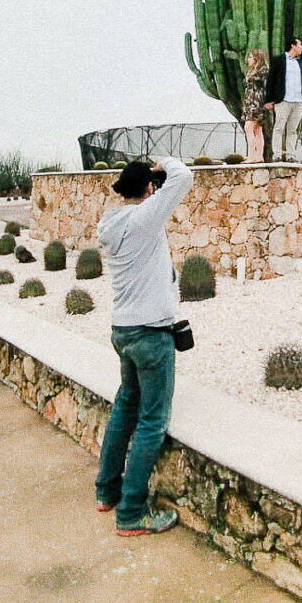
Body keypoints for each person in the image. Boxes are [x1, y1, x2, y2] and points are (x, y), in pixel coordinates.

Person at [95, 156, 194, 536]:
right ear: (149, 188)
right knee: (152, 420)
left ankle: (107, 491)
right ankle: (132, 512)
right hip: (151, 334)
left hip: (123, 329)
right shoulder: (144, 218)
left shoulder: (113, 222)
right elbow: (183, 176)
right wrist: (163, 163)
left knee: (125, 405)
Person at [264, 37, 302, 161]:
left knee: (292, 130)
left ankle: (291, 155)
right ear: (293, 46)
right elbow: (271, 80)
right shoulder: (279, 60)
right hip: (284, 100)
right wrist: (269, 99)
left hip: (298, 100)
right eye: (300, 45)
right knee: (279, 128)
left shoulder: (299, 62)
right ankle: (277, 154)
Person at [241, 47, 269, 162]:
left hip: (257, 102)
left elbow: (267, 87)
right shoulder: (252, 71)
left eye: (251, 57)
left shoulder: (263, 71)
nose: (248, 59)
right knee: (257, 129)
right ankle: (259, 156)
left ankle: (252, 156)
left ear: (257, 59)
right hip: (250, 102)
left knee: (248, 127)